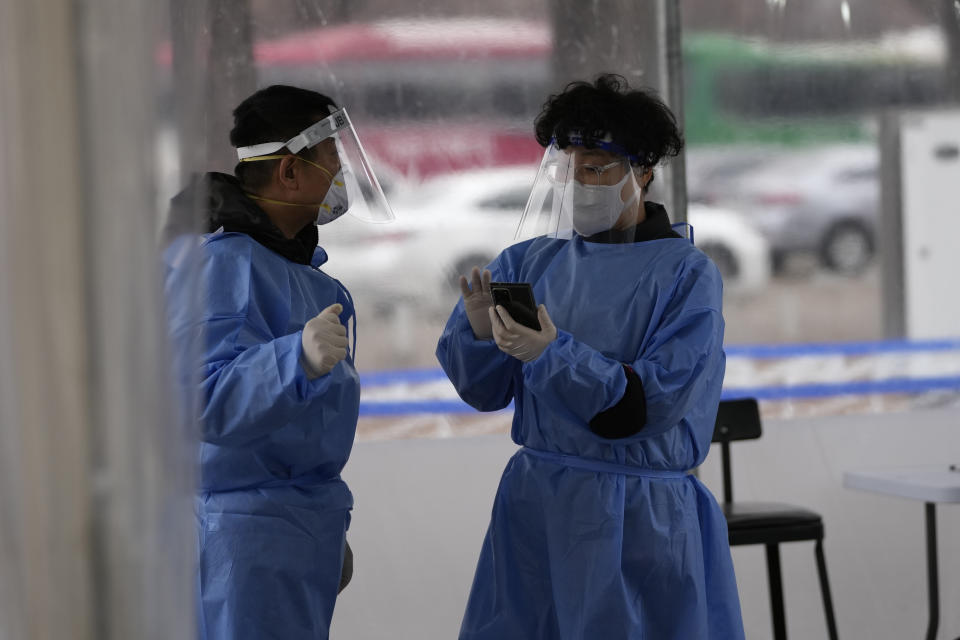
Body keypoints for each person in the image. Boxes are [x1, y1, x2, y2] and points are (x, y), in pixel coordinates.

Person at [435, 74, 745, 639]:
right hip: (537, 506)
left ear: (643, 172)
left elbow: (644, 407)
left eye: (597, 168)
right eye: (569, 168)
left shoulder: (685, 275)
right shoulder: (526, 263)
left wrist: (553, 355)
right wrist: (481, 337)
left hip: (636, 515)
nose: (580, 184)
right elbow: (484, 393)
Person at [163, 84, 393, 640]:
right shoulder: (222, 266)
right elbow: (198, 402)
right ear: (290, 171)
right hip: (238, 540)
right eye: (333, 159)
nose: (342, 175)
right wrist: (294, 359)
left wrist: (319, 525)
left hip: (288, 532)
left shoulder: (301, 276)